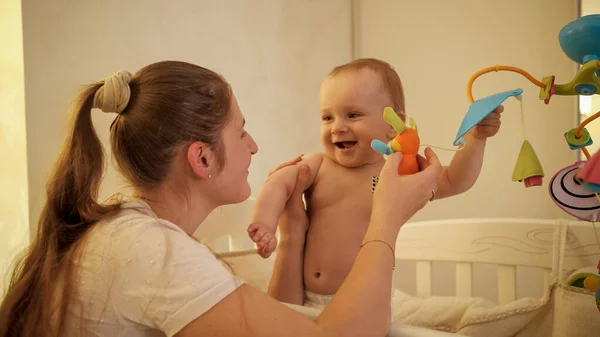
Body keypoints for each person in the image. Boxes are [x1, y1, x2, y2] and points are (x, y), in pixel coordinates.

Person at [0, 60, 442, 337]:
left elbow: (285, 318)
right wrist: (387, 215)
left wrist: (293, 235)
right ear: (203, 159)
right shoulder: (154, 253)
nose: (253, 146)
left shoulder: (128, 234)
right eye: (241, 130)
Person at [246, 58, 503, 307]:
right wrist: (264, 223)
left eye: (353, 114)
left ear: (393, 125)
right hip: (305, 297)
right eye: (327, 117)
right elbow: (278, 182)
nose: (337, 127)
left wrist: (476, 140)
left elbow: (454, 180)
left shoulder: (394, 175)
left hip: (363, 303)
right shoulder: (318, 165)